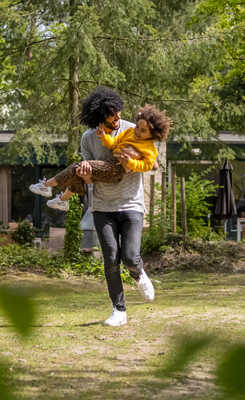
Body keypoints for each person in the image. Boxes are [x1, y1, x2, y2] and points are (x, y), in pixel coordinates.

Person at [66, 87, 156, 326]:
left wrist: (130, 162)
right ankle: (119, 310)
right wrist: (85, 175)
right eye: (112, 115)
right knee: (111, 259)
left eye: (118, 112)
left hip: (131, 205)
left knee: (129, 256)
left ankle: (138, 273)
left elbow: (151, 162)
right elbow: (89, 178)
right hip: (102, 207)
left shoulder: (133, 129)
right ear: (100, 115)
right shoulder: (87, 138)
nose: (118, 117)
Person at [29, 104, 170, 211]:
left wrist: (131, 161)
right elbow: (114, 144)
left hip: (116, 170)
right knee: (79, 172)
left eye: (142, 130)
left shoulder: (150, 148)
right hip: (109, 165)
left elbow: (148, 165)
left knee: (77, 166)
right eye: (138, 127)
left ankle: (47, 186)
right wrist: (104, 137)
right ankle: (63, 200)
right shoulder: (129, 132)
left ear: (152, 134)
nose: (137, 131)